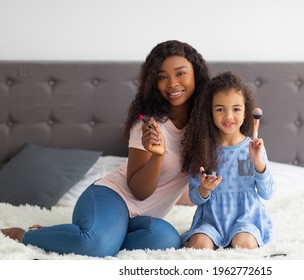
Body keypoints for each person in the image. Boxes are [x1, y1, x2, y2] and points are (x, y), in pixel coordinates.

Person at [0, 40, 211, 257]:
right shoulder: (149, 124)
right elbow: (139, 191)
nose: (172, 83)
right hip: (110, 197)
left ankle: (73, 236)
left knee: (166, 239)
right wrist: (157, 156)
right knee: (97, 246)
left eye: (180, 73)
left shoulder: (206, 126)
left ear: (196, 74)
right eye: (162, 77)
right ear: (153, 83)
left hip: (141, 219)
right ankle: (25, 235)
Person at [180, 71, 275, 250]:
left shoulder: (253, 149)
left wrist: (258, 163)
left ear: (246, 112)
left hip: (245, 219)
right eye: (220, 109)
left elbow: (267, 193)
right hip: (211, 220)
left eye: (236, 109)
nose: (229, 116)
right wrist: (204, 189)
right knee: (199, 245)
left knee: (244, 243)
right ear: (210, 112)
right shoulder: (203, 150)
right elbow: (195, 197)